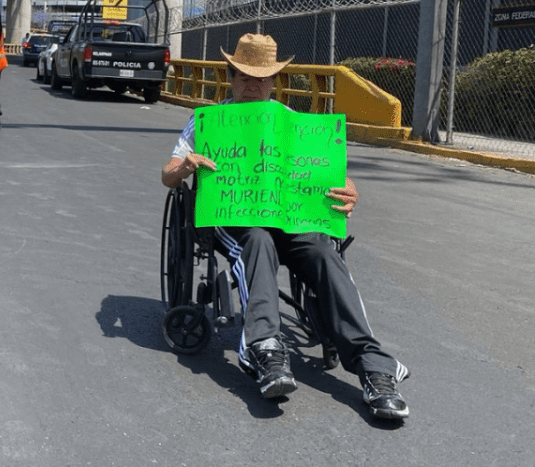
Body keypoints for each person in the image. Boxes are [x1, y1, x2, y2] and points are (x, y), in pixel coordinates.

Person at [159, 32, 410, 420]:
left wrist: (348, 191)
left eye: (261, 79)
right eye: (245, 77)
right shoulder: (208, 122)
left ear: (274, 82)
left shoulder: (293, 124)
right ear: (231, 77)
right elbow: (168, 174)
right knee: (257, 241)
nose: (252, 86)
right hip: (234, 221)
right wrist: (186, 165)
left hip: (291, 222)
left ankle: (375, 368)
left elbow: (324, 176)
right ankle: (264, 348)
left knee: (324, 253)